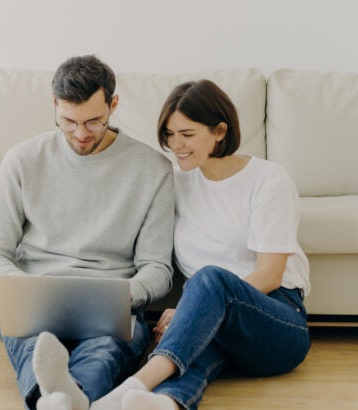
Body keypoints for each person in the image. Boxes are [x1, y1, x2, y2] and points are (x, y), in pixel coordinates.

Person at [92, 79, 311, 410]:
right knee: (189, 354)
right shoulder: (176, 181)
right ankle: (164, 404)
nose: (175, 144)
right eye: (169, 134)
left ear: (220, 131)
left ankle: (131, 386)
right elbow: (118, 196)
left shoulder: (267, 179)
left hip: (277, 323)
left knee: (210, 278)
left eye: (187, 134)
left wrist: (185, 310)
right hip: (211, 321)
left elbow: (269, 275)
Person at [0, 55, 175, 410]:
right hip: (35, 303)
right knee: (33, 344)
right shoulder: (21, 160)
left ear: (114, 105)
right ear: (54, 104)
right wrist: (21, 289)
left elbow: (158, 268)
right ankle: (64, 399)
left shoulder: (152, 169)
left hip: (112, 306)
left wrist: (128, 293)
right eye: (68, 121)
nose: (81, 134)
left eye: (93, 121)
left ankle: (54, 400)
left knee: (105, 351)